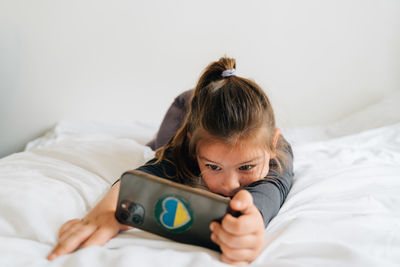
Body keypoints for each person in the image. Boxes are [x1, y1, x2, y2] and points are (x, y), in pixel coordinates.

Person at [47, 57, 294, 265]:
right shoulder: (184, 146)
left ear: (273, 144)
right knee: (160, 145)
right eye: (213, 166)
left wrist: (254, 222)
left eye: (246, 166)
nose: (230, 185)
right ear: (193, 146)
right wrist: (109, 210)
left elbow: (271, 189)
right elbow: (146, 176)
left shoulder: (277, 151)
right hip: (184, 106)